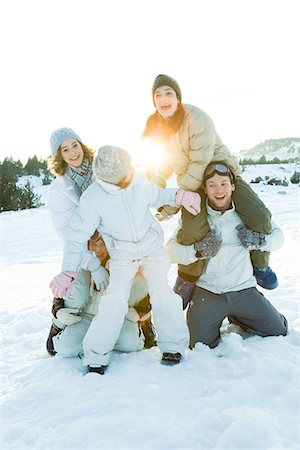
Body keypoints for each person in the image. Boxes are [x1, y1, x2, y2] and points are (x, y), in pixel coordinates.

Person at [50, 145, 200, 374]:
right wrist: (68, 271)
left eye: (130, 169)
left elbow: (156, 194)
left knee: (162, 293)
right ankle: (96, 356)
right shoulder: (94, 198)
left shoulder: (137, 178)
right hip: (122, 255)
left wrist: (179, 195)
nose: (130, 175)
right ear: (112, 180)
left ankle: (173, 346)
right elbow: (76, 236)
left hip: (151, 249)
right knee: (114, 300)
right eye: (125, 175)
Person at [143, 74, 278, 301]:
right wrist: (156, 190)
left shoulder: (196, 118)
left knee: (259, 216)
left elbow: (200, 161)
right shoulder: (155, 128)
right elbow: (161, 165)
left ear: (178, 98)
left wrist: (176, 202)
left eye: (169, 93)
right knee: (191, 231)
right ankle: (187, 278)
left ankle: (259, 265)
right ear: (153, 101)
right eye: (158, 94)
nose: (163, 98)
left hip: (219, 172)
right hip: (191, 181)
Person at [46, 128, 156, 357]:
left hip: (115, 241)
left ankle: (142, 321)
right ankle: (60, 322)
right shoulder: (59, 189)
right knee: (78, 285)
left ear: (82, 145)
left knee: (134, 278)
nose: (72, 152)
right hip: (86, 249)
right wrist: (93, 264)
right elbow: (67, 233)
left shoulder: (102, 170)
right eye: (65, 149)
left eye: (74, 145)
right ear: (59, 156)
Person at [165, 161, 288, 348]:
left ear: (232, 186)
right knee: (199, 344)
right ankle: (220, 315)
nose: (218, 190)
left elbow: (279, 238)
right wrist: (198, 251)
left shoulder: (246, 216)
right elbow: (170, 252)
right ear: (205, 189)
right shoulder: (197, 218)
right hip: (208, 292)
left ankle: (239, 315)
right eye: (212, 185)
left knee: (278, 329)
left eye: (223, 184)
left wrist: (259, 241)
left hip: (243, 289)